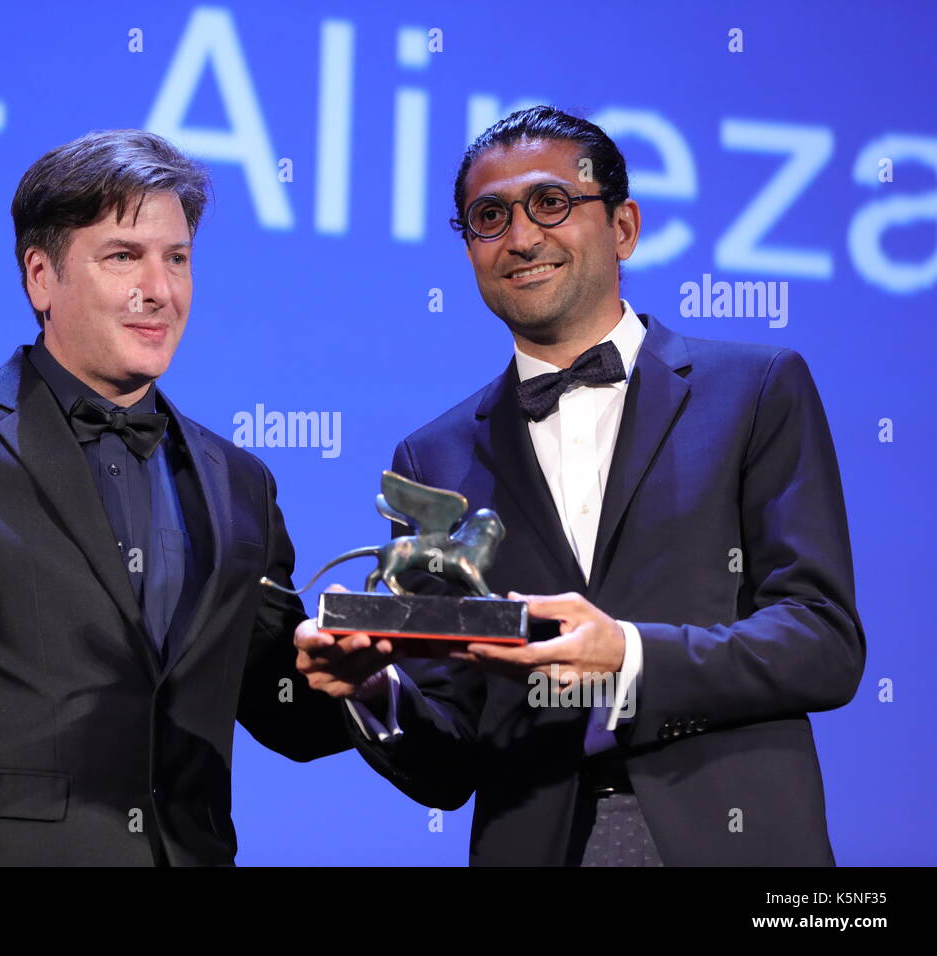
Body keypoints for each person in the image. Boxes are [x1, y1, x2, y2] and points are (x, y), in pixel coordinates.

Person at [295, 106, 866, 866]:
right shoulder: (432, 459)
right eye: (488, 218)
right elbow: (449, 762)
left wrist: (628, 655)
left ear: (623, 227)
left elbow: (821, 642)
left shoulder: (757, 389)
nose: (522, 237)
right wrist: (374, 689)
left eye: (551, 203)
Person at [0, 129, 351, 867]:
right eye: (123, 256)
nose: (160, 290)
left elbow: (283, 712)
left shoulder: (240, 481)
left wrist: (368, 674)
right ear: (41, 277)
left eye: (177, 258)